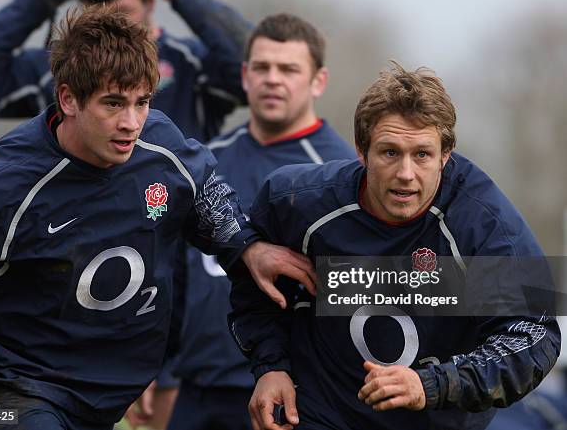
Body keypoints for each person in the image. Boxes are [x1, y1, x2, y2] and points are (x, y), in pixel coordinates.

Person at [0, 6, 314, 430]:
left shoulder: (161, 146)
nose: (130, 123)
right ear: (68, 98)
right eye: (112, 103)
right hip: (4, 393)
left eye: (141, 102)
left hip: (105, 396)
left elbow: (211, 202)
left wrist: (248, 246)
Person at [228, 62, 562, 430]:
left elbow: (533, 336)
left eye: (422, 154)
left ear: (445, 155)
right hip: (323, 414)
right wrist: (270, 366)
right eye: (389, 152)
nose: (406, 173)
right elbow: (253, 284)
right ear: (361, 150)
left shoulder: (481, 227)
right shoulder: (295, 203)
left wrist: (432, 384)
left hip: (436, 419)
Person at [162, 13, 356, 430]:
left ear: (317, 81)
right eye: (262, 68)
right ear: (245, 76)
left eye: (288, 69)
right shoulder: (205, 161)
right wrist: (160, 369)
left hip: (288, 394)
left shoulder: (340, 173)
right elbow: (175, 270)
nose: (273, 79)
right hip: (196, 389)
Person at [0, 0, 250, 141]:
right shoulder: (60, 67)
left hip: (177, 227)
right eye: (100, 8)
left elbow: (255, 71)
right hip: (84, 223)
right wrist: (40, 1)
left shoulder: (190, 62)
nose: (114, 25)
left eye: (122, 13)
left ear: (150, 3)